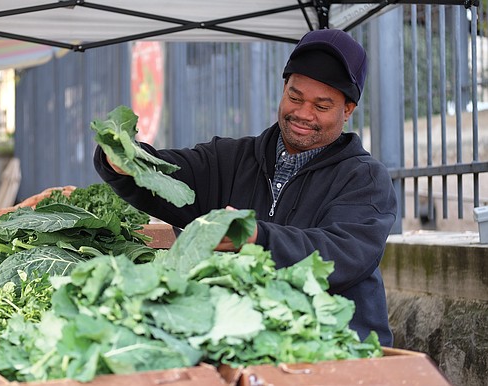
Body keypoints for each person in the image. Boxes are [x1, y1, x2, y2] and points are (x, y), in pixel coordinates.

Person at [94, 28, 398, 346]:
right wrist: (126, 161)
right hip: (247, 344)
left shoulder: (366, 179)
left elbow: (340, 254)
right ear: (283, 88)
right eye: (295, 97)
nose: (303, 114)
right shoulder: (231, 157)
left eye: (322, 106)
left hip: (340, 347)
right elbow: (169, 174)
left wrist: (257, 237)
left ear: (348, 110)